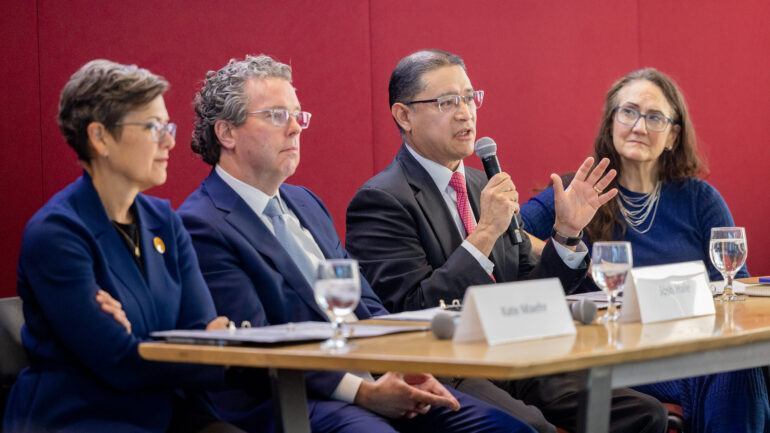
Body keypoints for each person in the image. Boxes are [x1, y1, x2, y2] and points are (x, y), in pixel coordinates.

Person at [177, 54, 535, 433]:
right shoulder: (202, 224)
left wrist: (405, 367)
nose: (295, 129)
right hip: (298, 397)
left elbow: (365, 304)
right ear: (226, 133)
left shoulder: (305, 203)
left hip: (375, 373)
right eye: (277, 116)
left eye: (297, 116)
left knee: (509, 429)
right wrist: (362, 391)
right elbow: (259, 347)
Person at [344, 49, 667, 433]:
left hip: (516, 356)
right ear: (404, 116)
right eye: (447, 102)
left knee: (644, 414)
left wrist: (566, 233)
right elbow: (407, 313)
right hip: (451, 368)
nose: (465, 113)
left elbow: (530, 292)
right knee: (531, 427)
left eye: (469, 98)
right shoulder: (381, 200)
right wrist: (483, 235)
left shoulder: (483, 184)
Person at [520, 68, 767, 433]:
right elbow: (509, 233)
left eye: (654, 117)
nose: (639, 126)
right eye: (629, 112)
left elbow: (735, 290)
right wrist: (566, 245)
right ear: (611, 122)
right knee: (736, 368)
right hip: (611, 351)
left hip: (687, 344)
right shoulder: (580, 190)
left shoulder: (700, 199)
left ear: (672, 136)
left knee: (741, 363)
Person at [3, 60, 241, 433]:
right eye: (153, 127)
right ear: (100, 137)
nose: (170, 141)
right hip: (82, 419)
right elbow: (119, 363)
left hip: (166, 413)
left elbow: (199, 337)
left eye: (168, 126)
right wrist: (201, 351)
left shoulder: (165, 221)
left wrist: (143, 339)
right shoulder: (56, 234)